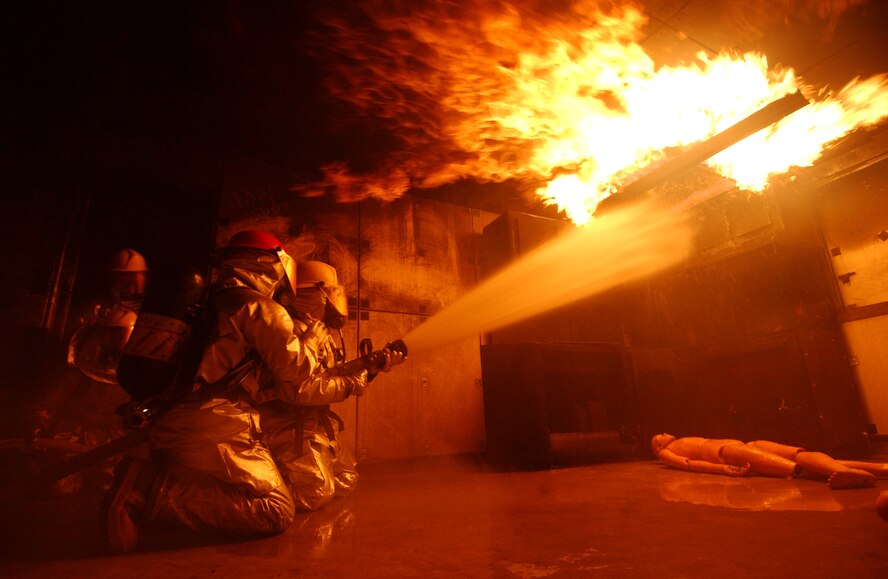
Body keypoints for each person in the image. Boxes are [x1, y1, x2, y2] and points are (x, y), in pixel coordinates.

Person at [102, 230, 340, 553]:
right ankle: (145, 489)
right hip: (216, 422)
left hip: (173, 420)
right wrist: (311, 342)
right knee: (277, 507)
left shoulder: (208, 302)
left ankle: (152, 482)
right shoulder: (258, 307)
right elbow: (298, 373)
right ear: (271, 266)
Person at [259, 260, 404, 511]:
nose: (334, 300)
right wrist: (354, 382)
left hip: (313, 422)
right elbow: (299, 390)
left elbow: (327, 374)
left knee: (346, 480)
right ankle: (269, 470)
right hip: (288, 423)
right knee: (315, 493)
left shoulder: (319, 331)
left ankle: (296, 467)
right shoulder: (289, 329)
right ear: (311, 294)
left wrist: (369, 369)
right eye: (330, 293)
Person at [25, 248, 148, 493]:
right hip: (74, 453)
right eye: (111, 333)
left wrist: (88, 438)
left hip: (110, 456)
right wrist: (39, 429)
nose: (128, 285)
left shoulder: (139, 382)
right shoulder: (82, 370)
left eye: (133, 278)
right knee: (57, 488)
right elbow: (44, 406)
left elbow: (137, 429)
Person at [651, 433, 888, 490]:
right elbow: (688, 464)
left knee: (800, 455)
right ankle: (847, 472)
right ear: (658, 447)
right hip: (725, 452)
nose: (663, 432)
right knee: (798, 466)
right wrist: (723, 468)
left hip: (745, 445)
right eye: (658, 436)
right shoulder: (666, 451)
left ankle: (881, 467)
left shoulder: (682, 438)